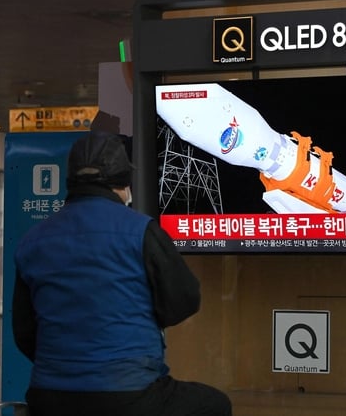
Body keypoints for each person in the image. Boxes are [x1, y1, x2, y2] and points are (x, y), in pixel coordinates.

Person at [12, 130, 233, 416]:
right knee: (215, 405)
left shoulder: (33, 239)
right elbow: (185, 300)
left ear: (70, 181)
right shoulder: (140, 231)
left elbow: (24, 332)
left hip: (49, 398)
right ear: (124, 183)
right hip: (129, 395)